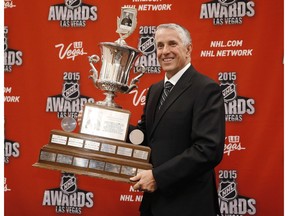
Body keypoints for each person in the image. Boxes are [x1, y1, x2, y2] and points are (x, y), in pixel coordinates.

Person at [128, 23, 225, 216]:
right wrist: (113, 125)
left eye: (172, 44)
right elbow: (146, 138)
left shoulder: (205, 89)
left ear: (188, 49)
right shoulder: (155, 90)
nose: (165, 51)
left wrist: (157, 177)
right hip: (154, 204)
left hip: (189, 205)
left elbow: (208, 150)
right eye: (160, 45)